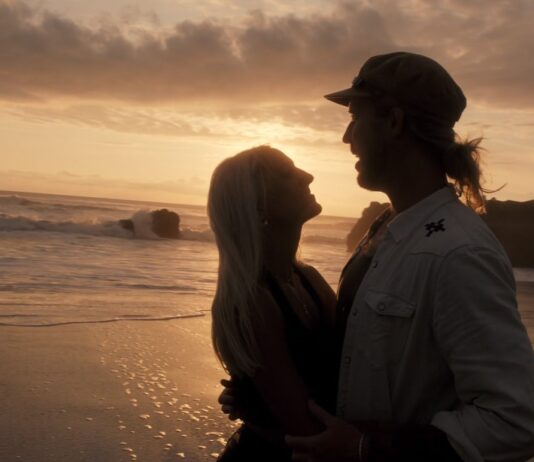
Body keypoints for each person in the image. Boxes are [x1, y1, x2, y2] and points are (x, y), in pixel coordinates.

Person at [220, 52, 534, 461]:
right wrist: (263, 389)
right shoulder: (387, 229)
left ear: (393, 121)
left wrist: (366, 447)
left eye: (355, 116)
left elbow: (517, 419)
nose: (346, 136)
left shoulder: (457, 253)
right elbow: (355, 355)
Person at [207, 145, 339, 461]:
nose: (308, 176)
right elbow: (306, 434)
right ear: (258, 206)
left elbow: (349, 363)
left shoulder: (309, 278)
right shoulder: (252, 303)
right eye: (287, 174)